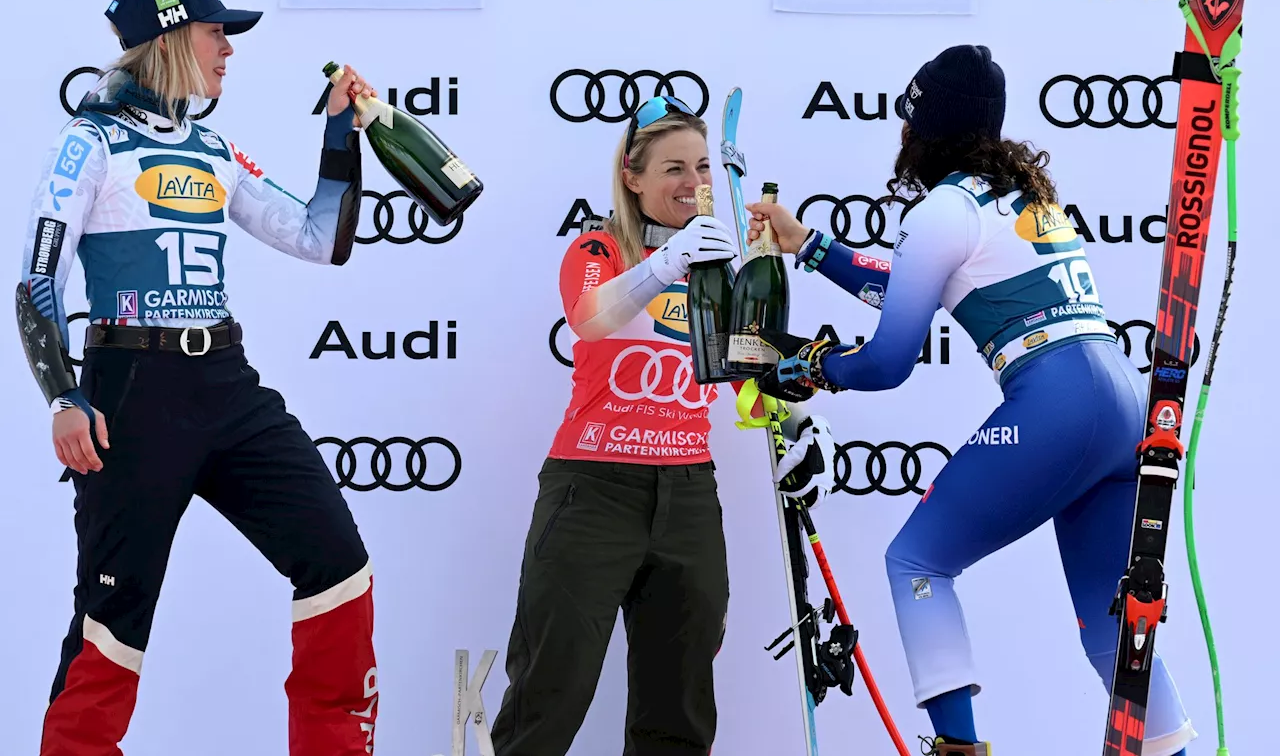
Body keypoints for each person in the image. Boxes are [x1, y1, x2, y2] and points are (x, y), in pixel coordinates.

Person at [745, 45, 1195, 756]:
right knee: (1110, 623)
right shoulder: (1021, 195)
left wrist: (819, 364)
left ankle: (958, 747)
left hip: (1058, 407)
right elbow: (906, 285)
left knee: (916, 562)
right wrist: (809, 244)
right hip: (1122, 402)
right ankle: (1173, 745)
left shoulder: (941, 211)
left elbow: (890, 360)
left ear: (922, 129)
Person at [17, 0, 381, 755]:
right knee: (114, 617)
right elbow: (37, 278)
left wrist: (339, 134)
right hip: (131, 394)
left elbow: (323, 238)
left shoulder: (214, 148)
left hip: (225, 382)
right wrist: (63, 396)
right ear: (174, 37)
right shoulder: (91, 142)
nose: (228, 50)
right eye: (218, 33)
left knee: (338, 561)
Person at [486, 95, 838, 756]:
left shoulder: (718, 271)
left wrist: (800, 422)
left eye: (703, 166)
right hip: (592, 492)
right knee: (549, 691)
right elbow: (590, 318)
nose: (692, 183)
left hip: (686, 496)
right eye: (673, 167)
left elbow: (749, 368)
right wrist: (663, 265)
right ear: (631, 174)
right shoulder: (600, 247)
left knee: (678, 705)